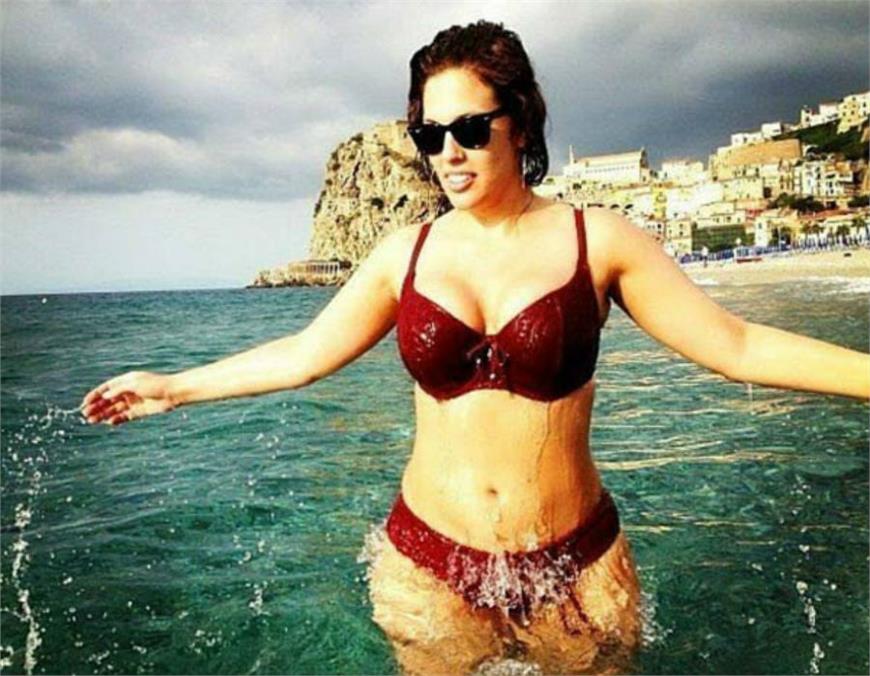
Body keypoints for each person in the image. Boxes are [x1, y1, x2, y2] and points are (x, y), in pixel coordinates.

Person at [81, 21, 869, 675]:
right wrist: (174, 387)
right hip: (430, 565)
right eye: (430, 135)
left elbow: (735, 344)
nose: (448, 153)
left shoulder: (599, 241)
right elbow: (305, 353)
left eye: (468, 129)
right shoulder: (404, 255)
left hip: (576, 565)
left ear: (519, 123)